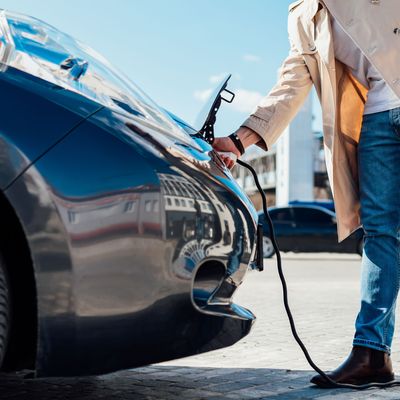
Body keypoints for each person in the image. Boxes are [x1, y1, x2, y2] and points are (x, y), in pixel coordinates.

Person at [213, 0, 400, 388]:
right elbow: (294, 79)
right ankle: (372, 353)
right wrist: (240, 139)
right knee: (382, 233)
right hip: (379, 115)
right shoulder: (302, 14)